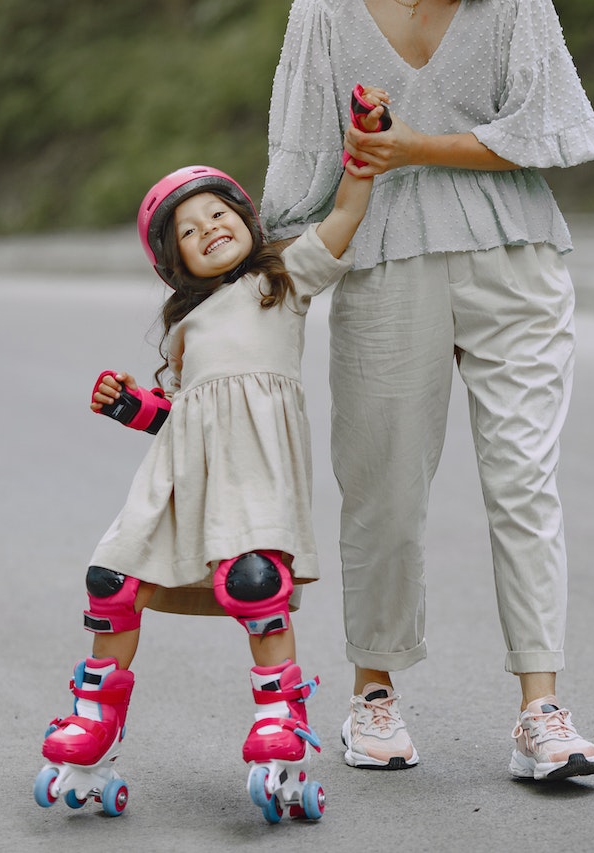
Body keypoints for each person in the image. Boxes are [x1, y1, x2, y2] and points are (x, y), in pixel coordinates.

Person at [261, 0, 594, 781]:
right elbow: (300, 153)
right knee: (382, 485)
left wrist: (411, 144)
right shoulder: (323, 12)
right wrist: (272, 284)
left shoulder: (516, 6)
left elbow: (543, 130)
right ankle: (372, 696)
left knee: (523, 477)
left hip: (516, 255)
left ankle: (541, 709)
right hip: (382, 259)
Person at [33, 122, 383, 820]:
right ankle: (94, 719)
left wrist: (361, 161)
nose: (210, 228)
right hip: (178, 480)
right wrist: (133, 406)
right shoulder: (183, 326)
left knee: (256, 581)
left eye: (219, 213)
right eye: (190, 230)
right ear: (175, 264)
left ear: (248, 221)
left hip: (254, 473)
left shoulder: (281, 281)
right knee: (111, 579)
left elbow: (344, 218)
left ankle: (280, 721)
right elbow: (185, 417)